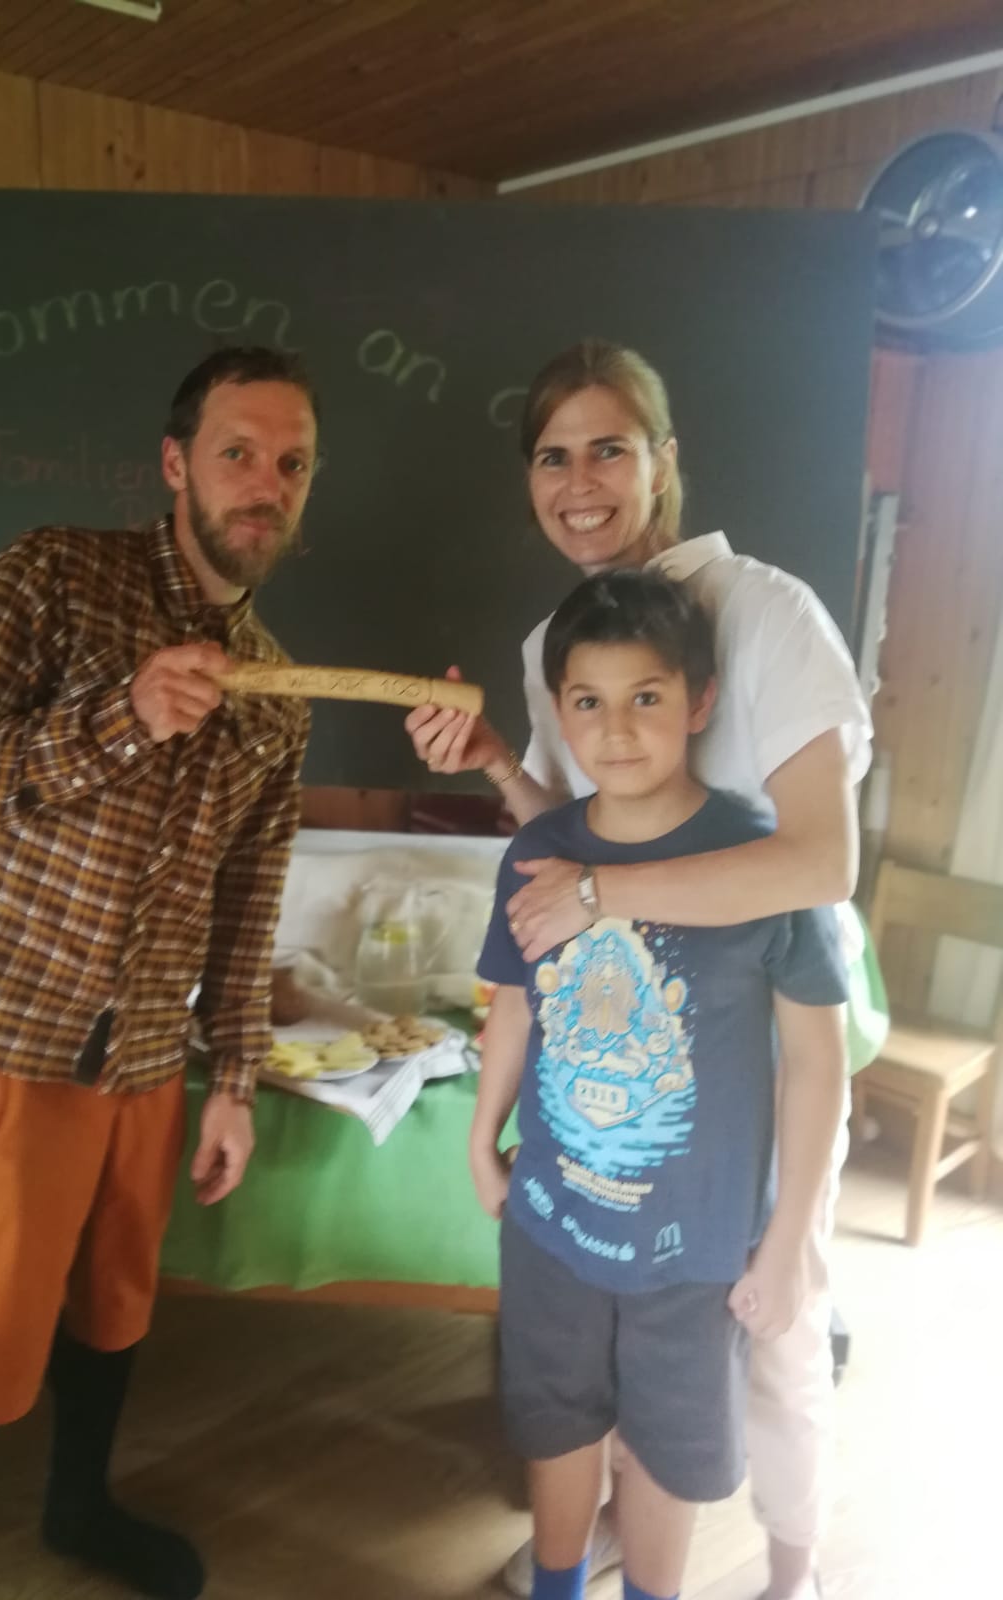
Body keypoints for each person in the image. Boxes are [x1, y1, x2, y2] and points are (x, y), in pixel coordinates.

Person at [406, 340, 871, 1600]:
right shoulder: (550, 642)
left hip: (770, 1023)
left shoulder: (768, 611)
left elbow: (819, 858)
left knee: (769, 1326)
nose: (580, 483)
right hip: (637, 1038)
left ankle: (791, 1569)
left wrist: (607, 894)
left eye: (609, 448)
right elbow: (570, 850)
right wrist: (496, 760)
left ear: (664, 459)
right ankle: (614, 1523)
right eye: (552, 457)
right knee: (621, 1317)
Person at [0, 345, 320, 1600]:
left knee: (113, 1306)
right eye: (238, 453)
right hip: (3, 1046)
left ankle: (79, 1508)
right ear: (176, 464)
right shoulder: (55, 574)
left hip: (142, 1066)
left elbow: (247, 900)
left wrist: (231, 1077)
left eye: (293, 464)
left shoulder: (280, 691)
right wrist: (120, 717)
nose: (266, 485)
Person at [474, 568, 848, 1600]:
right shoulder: (540, 850)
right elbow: (514, 1004)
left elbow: (816, 1060)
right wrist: (480, 1137)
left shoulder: (762, 863)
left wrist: (784, 1243)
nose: (617, 728)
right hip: (552, 1223)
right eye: (588, 701)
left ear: (699, 700)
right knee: (556, 1422)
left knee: (669, 1452)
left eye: (646, 695)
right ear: (559, 714)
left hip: (696, 1249)